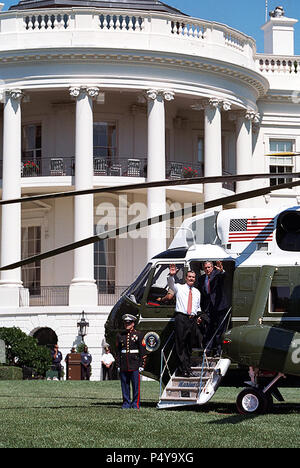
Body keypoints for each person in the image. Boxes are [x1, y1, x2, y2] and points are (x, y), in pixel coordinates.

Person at [167, 264, 205, 377]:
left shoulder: (197, 292)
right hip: (181, 318)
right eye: (189, 277)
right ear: (186, 278)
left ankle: (187, 368)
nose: (191, 279)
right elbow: (171, 284)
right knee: (180, 344)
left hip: (192, 320)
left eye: (193, 277)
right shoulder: (179, 287)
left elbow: (197, 307)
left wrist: (198, 316)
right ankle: (182, 369)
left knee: (189, 346)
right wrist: (171, 275)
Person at [197, 261, 229, 356]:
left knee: (220, 330)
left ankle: (218, 351)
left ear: (212, 267)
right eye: (206, 267)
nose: (207, 269)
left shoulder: (218, 275)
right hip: (208, 308)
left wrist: (222, 270)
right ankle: (207, 349)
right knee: (209, 329)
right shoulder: (202, 279)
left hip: (220, 306)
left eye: (209, 267)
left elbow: (224, 276)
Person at [116, 314, 146, 409]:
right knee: (124, 385)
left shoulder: (139, 335)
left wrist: (142, 365)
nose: (126, 324)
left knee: (136, 386)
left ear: (133, 324)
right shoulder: (120, 335)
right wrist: (118, 365)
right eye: (125, 323)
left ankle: (136, 404)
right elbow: (117, 351)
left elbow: (143, 351)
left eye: (128, 323)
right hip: (124, 364)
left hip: (135, 364)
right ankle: (126, 403)